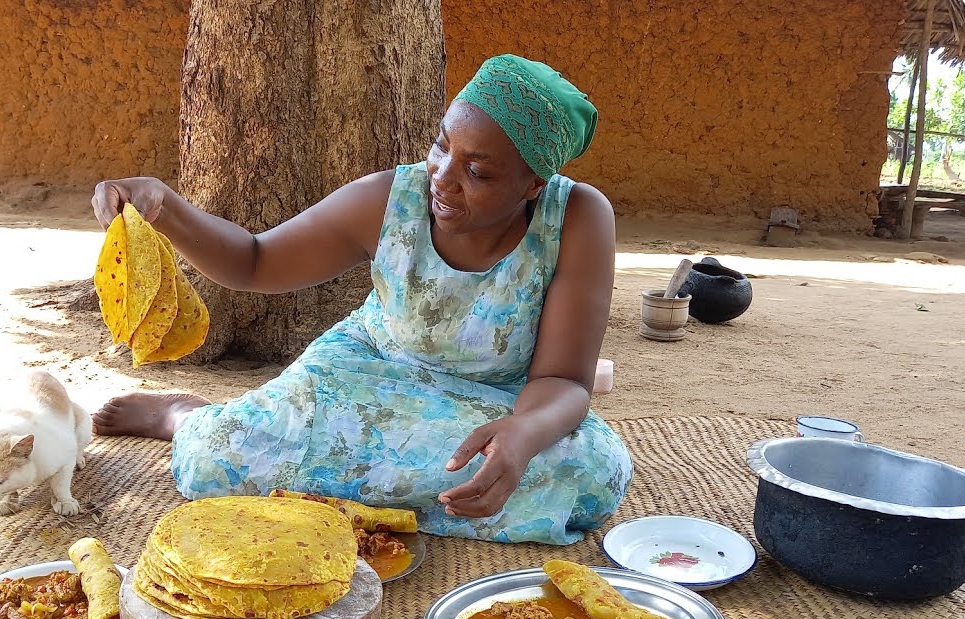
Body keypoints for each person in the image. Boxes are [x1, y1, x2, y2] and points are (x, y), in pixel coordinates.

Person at [92, 54, 632, 545]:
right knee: (220, 453)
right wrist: (166, 206)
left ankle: (357, 487)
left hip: (497, 400)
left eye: (478, 171)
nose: (442, 179)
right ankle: (186, 418)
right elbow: (254, 261)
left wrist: (521, 435)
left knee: (591, 469)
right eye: (443, 144)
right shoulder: (389, 199)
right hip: (369, 374)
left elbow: (562, 380)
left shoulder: (578, 218)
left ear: (533, 184)